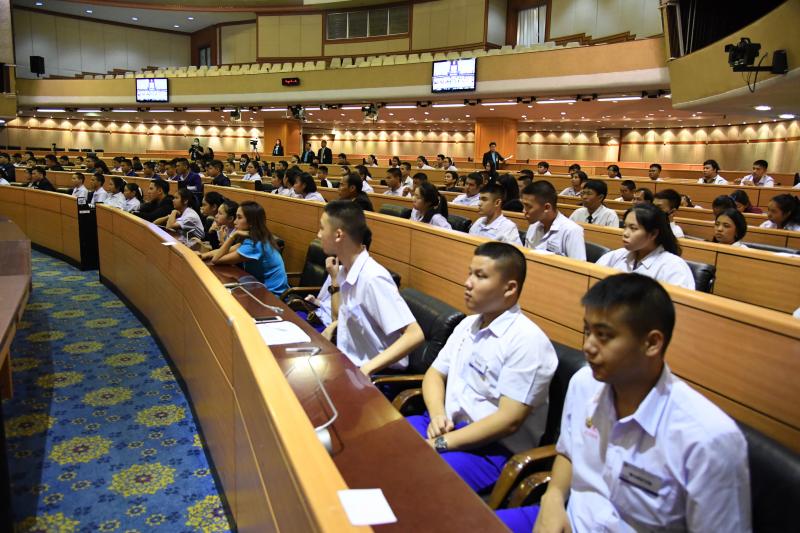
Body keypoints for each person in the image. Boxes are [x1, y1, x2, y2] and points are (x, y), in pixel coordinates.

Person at [497, 273, 751, 533]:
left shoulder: (709, 439)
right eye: (588, 331)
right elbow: (568, 452)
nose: (588, 346)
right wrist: (552, 499)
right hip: (569, 520)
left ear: (651, 343)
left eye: (603, 335)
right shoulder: (584, 383)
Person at [406, 242, 557, 493]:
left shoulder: (528, 341)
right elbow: (434, 374)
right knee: (382, 441)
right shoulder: (468, 324)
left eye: (480, 276)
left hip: (488, 450)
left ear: (510, 288)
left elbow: (508, 421)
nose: (468, 283)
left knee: (412, 475)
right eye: (469, 273)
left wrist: (442, 443)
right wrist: (437, 415)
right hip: (444, 425)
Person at [317, 200, 424, 375]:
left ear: (338, 235)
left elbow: (415, 334)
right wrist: (336, 324)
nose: (319, 234)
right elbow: (347, 315)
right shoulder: (344, 271)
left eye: (322, 228)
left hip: (379, 374)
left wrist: (368, 369)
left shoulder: (373, 278)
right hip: (349, 361)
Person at [597, 204, 695, 290]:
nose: (625, 233)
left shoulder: (674, 267)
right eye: (625, 227)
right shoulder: (616, 255)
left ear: (653, 234)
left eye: (633, 228)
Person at [210, 201, 289, 295]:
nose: (235, 222)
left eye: (239, 217)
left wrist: (233, 236)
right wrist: (203, 255)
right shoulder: (255, 238)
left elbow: (216, 259)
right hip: (259, 287)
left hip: (272, 295)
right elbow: (224, 251)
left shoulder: (255, 244)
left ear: (251, 222)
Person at [521, 181, 586, 260]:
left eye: (528, 206)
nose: (524, 211)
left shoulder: (572, 231)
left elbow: (578, 266)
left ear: (547, 208)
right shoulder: (534, 225)